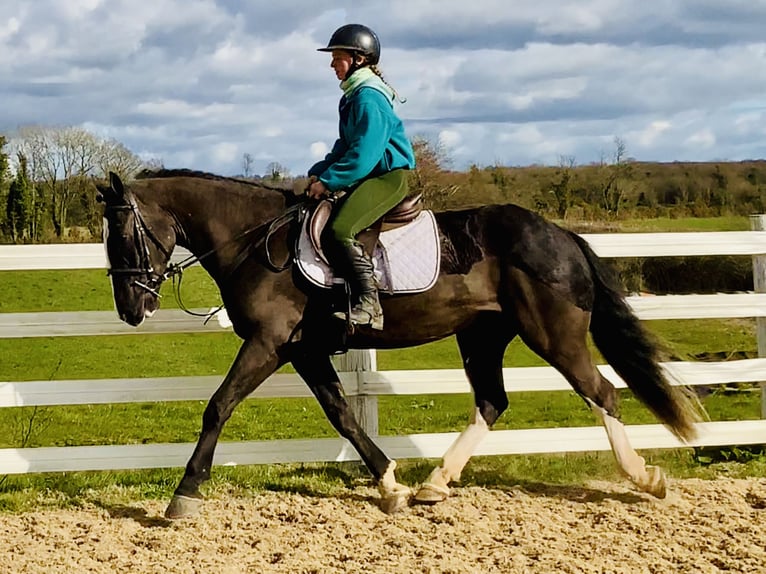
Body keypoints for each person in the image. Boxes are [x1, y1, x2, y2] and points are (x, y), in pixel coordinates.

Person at [306, 24, 416, 330]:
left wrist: (328, 181)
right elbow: (345, 146)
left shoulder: (368, 98)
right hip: (369, 176)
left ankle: (370, 304)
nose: (332, 64)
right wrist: (319, 171)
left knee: (340, 230)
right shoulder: (353, 96)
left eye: (337, 57)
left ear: (358, 59)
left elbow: (364, 155)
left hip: (386, 179)